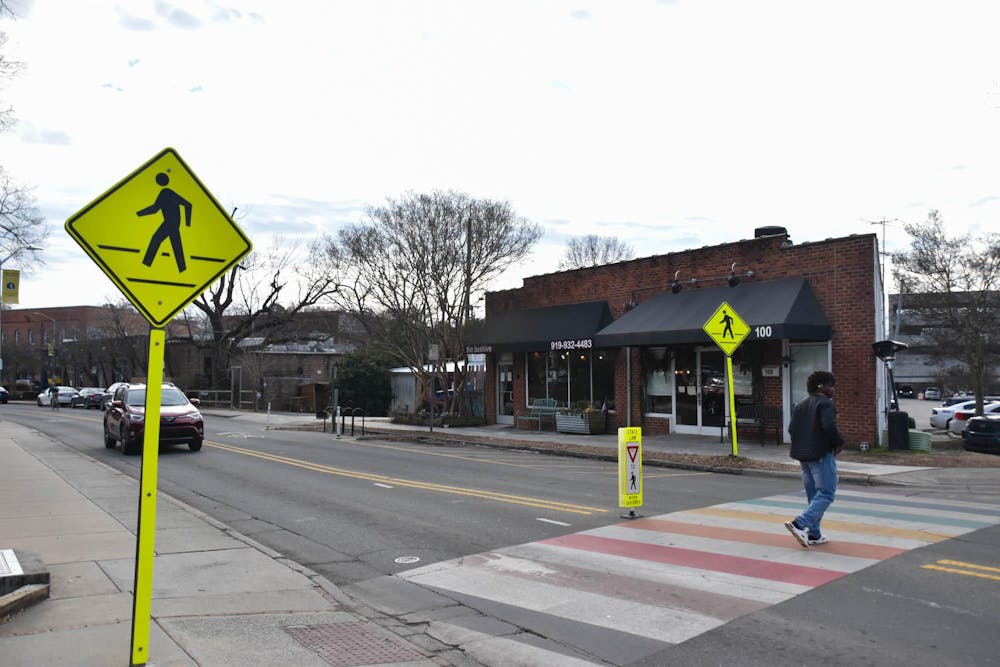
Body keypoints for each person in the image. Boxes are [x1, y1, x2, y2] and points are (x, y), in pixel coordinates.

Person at [784, 370, 844, 548]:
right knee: (826, 493)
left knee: (814, 496)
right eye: (831, 386)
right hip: (820, 455)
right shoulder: (826, 404)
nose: (833, 389)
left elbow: (791, 429)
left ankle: (814, 534)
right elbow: (829, 426)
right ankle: (799, 524)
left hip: (804, 457)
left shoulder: (801, 404)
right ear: (822, 387)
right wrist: (839, 442)